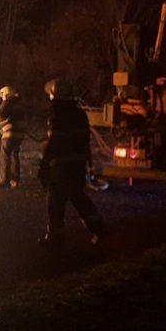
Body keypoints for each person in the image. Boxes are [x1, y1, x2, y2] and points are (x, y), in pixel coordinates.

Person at [37, 78, 107, 247]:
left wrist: (44, 163)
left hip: (61, 165)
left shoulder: (56, 113)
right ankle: (100, 231)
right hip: (78, 164)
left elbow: (55, 141)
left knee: (55, 200)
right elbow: (84, 140)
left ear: (54, 95)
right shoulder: (79, 113)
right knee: (78, 196)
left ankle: (56, 237)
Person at [0, 85, 26, 188]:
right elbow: (10, 118)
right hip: (19, 134)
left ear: (7, 94)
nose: (2, 98)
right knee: (14, 155)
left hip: (9, 134)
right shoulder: (19, 104)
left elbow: (0, 116)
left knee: (5, 156)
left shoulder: (7, 102)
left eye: (3, 95)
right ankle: (15, 181)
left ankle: (4, 181)